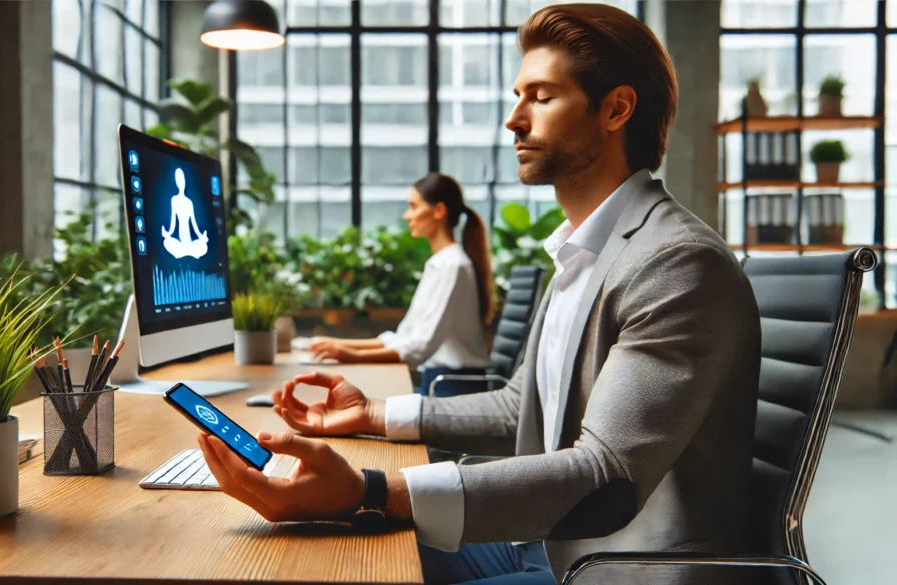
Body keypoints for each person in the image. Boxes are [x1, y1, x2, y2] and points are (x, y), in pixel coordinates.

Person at [196, 4, 761, 585]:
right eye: (518, 96)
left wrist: (370, 489)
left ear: (616, 108)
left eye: (540, 97)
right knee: (311, 552)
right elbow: (518, 408)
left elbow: (606, 475)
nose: (514, 120)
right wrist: (372, 414)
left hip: (614, 567)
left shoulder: (673, 262)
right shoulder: (586, 249)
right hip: (542, 543)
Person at [308, 173, 495, 396]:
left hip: (454, 387)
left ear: (438, 211)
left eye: (413, 207)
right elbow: (405, 337)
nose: (407, 216)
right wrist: (340, 345)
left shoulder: (453, 265)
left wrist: (352, 355)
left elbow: (420, 348)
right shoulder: (440, 263)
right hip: (440, 380)